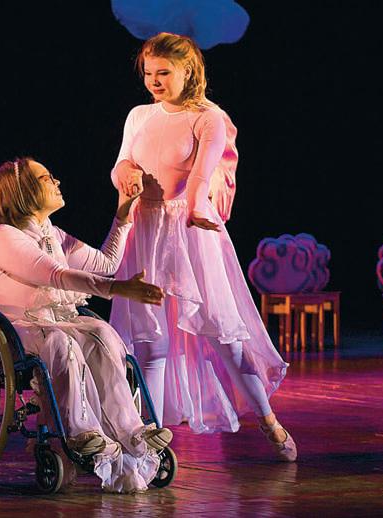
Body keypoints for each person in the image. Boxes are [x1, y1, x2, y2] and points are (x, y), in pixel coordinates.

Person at [108, 32, 296, 461]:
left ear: (188, 70)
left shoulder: (208, 118)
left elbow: (200, 176)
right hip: (145, 231)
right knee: (151, 342)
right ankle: (151, 441)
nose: (154, 82)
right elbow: (121, 162)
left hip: (190, 232)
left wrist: (196, 207)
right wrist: (125, 174)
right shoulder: (139, 115)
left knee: (222, 334)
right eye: (149, 73)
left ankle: (267, 418)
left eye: (164, 73)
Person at [0, 157, 171, 493]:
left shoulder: (52, 235)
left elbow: (106, 264)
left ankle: (130, 431)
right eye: (46, 178)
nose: (57, 182)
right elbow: (55, 275)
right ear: (23, 191)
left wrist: (123, 212)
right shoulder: (3, 237)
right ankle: (81, 432)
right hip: (16, 329)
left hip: (56, 323)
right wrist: (117, 289)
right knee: (60, 342)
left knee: (102, 334)